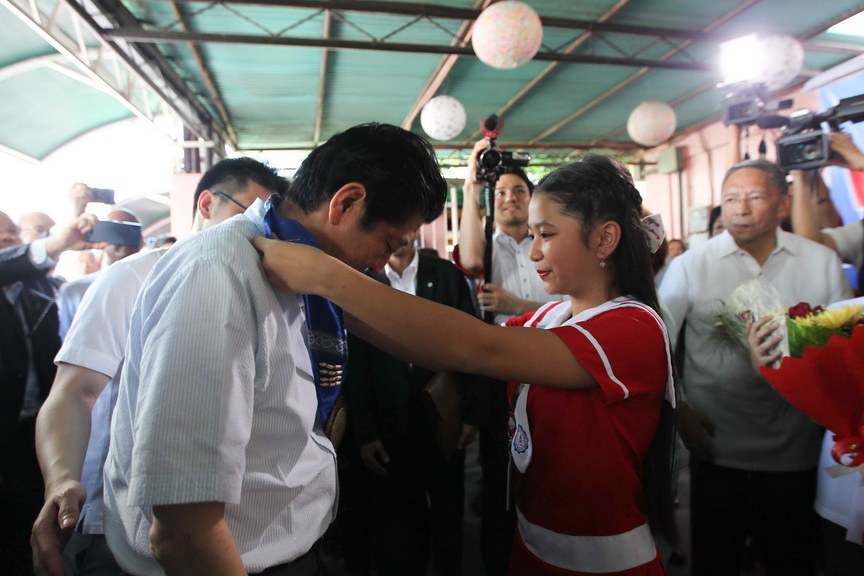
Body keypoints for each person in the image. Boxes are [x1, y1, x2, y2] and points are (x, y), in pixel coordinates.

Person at [254, 154, 678, 575]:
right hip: (533, 545)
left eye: (546, 234)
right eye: (532, 234)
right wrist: (323, 299)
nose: (533, 252)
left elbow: (479, 347)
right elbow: (437, 345)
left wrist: (324, 277)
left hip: (602, 564)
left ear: (604, 240)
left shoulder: (633, 328)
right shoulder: (550, 317)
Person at [102, 123, 447, 575]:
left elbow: (437, 342)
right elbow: (183, 530)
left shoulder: (310, 270)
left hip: (292, 544)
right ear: (346, 203)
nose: (382, 263)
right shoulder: (218, 273)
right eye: (389, 242)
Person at [30, 158, 284, 576]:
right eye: (247, 215)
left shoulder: (263, 287)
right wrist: (60, 479)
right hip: (114, 523)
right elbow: (74, 391)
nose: (256, 232)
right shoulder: (132, 278)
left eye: (268, 222)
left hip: (224, 532)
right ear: (206, 204)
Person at [659, 159, 853, 576]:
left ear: (783, 204)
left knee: (792, 560)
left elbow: (844, 351)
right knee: (715, 560)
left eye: (755, 197)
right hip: (717, 448)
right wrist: (680, 412)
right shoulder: (692, 264)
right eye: (730, 199)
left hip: (798, 452)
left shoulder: (820, 262)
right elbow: (657, 344)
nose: (740, 209)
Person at [340, 233, 483, 575]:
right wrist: (366, 432)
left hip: (443, 416)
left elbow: (472, 343)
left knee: (449, 511)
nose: (398, 236)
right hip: (391, 423)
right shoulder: (364, 280)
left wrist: (472, 415)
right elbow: (357, 364)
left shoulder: (446, 275)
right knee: (400, 521)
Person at [456, 140, 566, 575]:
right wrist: (470, 186)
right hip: (497, 373)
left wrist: (515, 304)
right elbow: (467, 258)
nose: (509, 198)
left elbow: (563, 310)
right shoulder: (485, 245)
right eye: (499, 192)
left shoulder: (550, 245)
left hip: (548, 368)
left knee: (550, 463)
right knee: (499, 464)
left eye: (518, 191)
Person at [0, 211, 100, 575]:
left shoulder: (45, 291)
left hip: (32, 431)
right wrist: (57, 242)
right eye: (2, 234)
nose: (10, 239)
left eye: (13, 233)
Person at [56, 207, 142, 340]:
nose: (121, 237)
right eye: (113, 229)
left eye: (131, 229)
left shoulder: (157, 283)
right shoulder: (75, 292)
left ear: (141, 238)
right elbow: (66, 342)